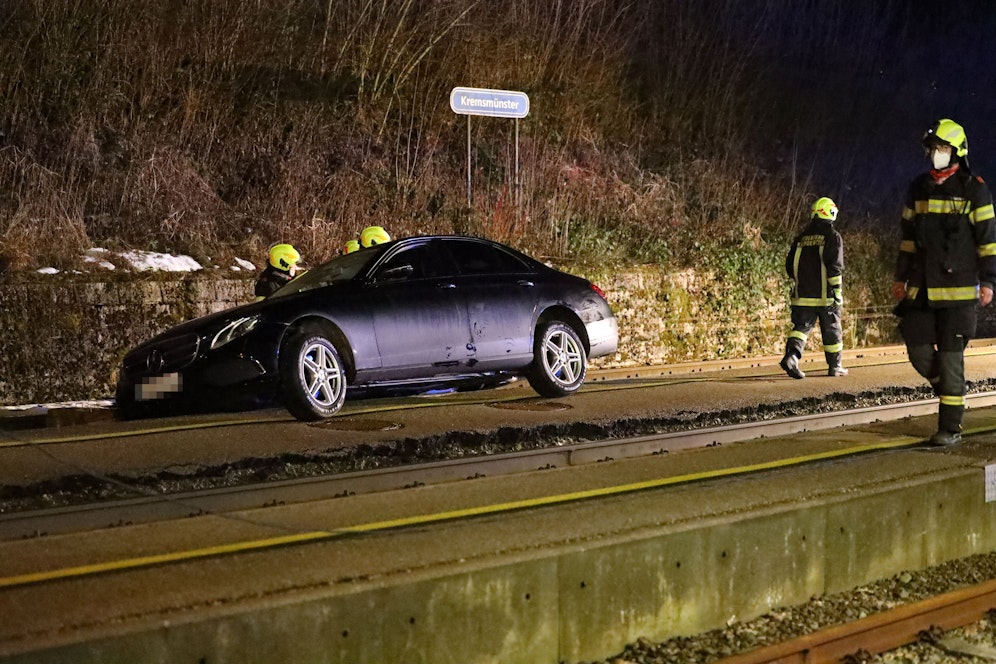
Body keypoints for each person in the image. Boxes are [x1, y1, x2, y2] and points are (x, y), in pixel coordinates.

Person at [892, 118, 996, 446]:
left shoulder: (974, 190)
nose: (936, 153)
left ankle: (950, 428)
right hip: (921, 290)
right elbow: (907, 239)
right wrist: (900, 277)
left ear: (957, 152)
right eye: (933, 148)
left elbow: (988, 242)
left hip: (960, 294)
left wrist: (989, 282)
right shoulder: (918, 188)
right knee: (919, 352)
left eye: (942, 148)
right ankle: (951, 391)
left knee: (952, 360)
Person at [779, 196, 847, 380]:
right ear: (830, 213)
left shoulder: (800, 238)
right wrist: (838, 294)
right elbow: (834, 267)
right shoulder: (832, 237)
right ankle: (835, 366)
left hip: (802, 295)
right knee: (832, 328)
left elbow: (789, 266)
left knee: (801, 327)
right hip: (825, 296)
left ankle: (792, 357)